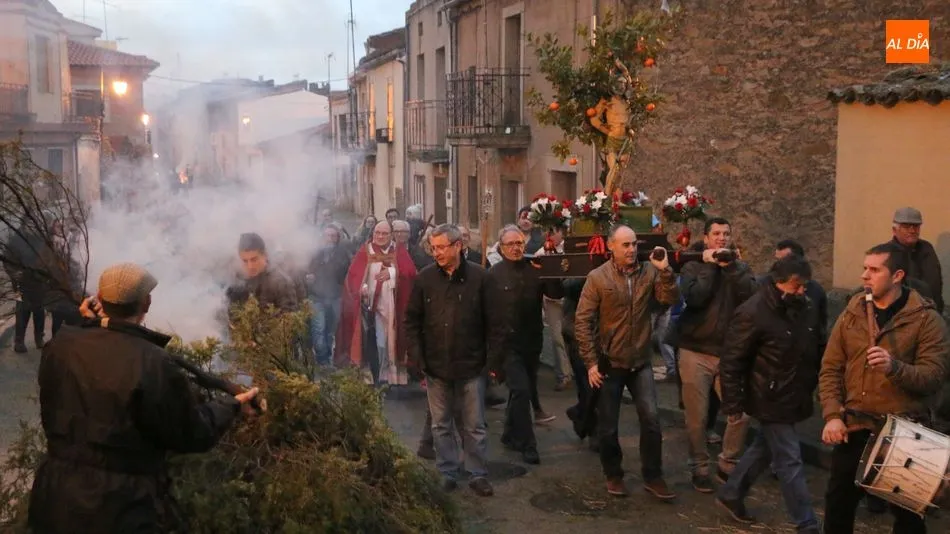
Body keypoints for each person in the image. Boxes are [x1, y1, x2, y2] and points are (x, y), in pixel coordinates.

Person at [28, 263, 259, 534]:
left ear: (99, 299)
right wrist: (232, 406)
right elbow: (192, 433)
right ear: (146, 304)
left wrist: (91, 324)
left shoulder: (61, 344)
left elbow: (95, 359)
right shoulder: (153, 363)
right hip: (122, 506)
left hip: (54, 496)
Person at [819, 242, 950, 534]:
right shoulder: (852, 311)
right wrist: (832, 414)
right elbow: (830, 368)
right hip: (853, 426)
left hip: (904, 432)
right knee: (838, 508)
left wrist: (894, 368)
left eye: (874, 270)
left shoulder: (926, 320)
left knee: (908, 519)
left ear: (897, 275)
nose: (865, 275)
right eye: (865, 268)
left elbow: (934, 377)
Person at [715, 255, 822, 532]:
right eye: (797, 286)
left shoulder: (799, 306)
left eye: (804, 286)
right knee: (789, 458)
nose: (802, 291)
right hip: (769, 395)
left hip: (791, 391)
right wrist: (733, 401)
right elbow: (732, 360)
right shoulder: (753, 312)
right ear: (779, 283)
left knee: (764, 447)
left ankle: (731, 492)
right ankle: (806, 522)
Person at [575, 225, 680, 498]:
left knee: (652, 420)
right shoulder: (597, 278)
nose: (631, 249)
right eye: (625, 245)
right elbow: (583, 321)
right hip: (610, 363)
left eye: (634, 244)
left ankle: (653, 476)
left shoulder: (649, 272)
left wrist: (665, 270)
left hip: (641, 361)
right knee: (608, 426)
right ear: (611, 246)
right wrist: (590, 363)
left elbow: (669, 300)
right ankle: (613, 474)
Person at [404, 224, 499, 497]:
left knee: (474, 425)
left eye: (442, 247)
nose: (437, 253)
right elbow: (411, 320)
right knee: (440, 424)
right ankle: (447, 471)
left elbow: (496, 323)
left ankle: (477, 474)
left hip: (471, 365)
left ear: (458, 246)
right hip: (435, 365)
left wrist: (492, 362)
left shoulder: (480, 278)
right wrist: (418, 356)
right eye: (433, 248)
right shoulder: (425, 279)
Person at [670, 217, 757, 492]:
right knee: (697, 417)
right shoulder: (692, 265)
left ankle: (728, 463)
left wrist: (731, 268)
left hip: (729, 353)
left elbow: (751, 295)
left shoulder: (740, 267)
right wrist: (709, 265)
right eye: (716, 234)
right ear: (706, 238)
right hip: (694, 350)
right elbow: (695, 298)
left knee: (741, 413)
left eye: (726, 234)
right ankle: (699, 467)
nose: (721, 238)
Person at [489, 225, 563, 465]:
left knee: (522, 391)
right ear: (501, 248)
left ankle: (510, 433)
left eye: (519, 243)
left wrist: (550, 270)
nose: (515, 248)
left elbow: (555, 293)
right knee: (520, 390)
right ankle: (527, 444)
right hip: (505, 345)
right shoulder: (493, 275)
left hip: (531, 343)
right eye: (510, 244)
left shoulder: (535, 270)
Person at [335, 221, 417, 385]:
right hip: (370, 306)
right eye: (377, 233)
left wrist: (393, 273)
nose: (380, 236)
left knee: (391, 340)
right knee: (377, 341)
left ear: (391, 235)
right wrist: (362, 288)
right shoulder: (366, 250)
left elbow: (410, 272)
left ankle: (391, 376)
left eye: (384, 233)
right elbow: (353, 276)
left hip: (394, 304)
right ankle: (376, 374)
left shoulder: (398, 250)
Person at [306, 225, 351, 366]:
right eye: (327, 236)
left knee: (331, 330)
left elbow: (345, 273)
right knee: (319, 329)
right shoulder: (313, 254)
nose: (330, 239)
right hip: (316, 296)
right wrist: (307, 277)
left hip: (334, 296)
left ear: (338, 238)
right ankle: (322, 360)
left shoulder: (342, 254)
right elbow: (303, 271)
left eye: (333, 236)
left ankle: (328, 356)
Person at [226, 232, 299, 313]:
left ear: (265, 255)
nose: (250, 266)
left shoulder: (281, 282)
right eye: (245, 261)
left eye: (254, 259)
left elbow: (289, 317)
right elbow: (228, 306)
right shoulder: (238, 277)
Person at [889, 207, 943, 313]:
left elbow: (935, 284)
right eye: (906, 226)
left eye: (916, 226)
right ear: (895, 230)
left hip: (931, 311)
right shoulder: (886, 252)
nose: (912, 230)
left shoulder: (926, 248)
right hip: (901, 315)